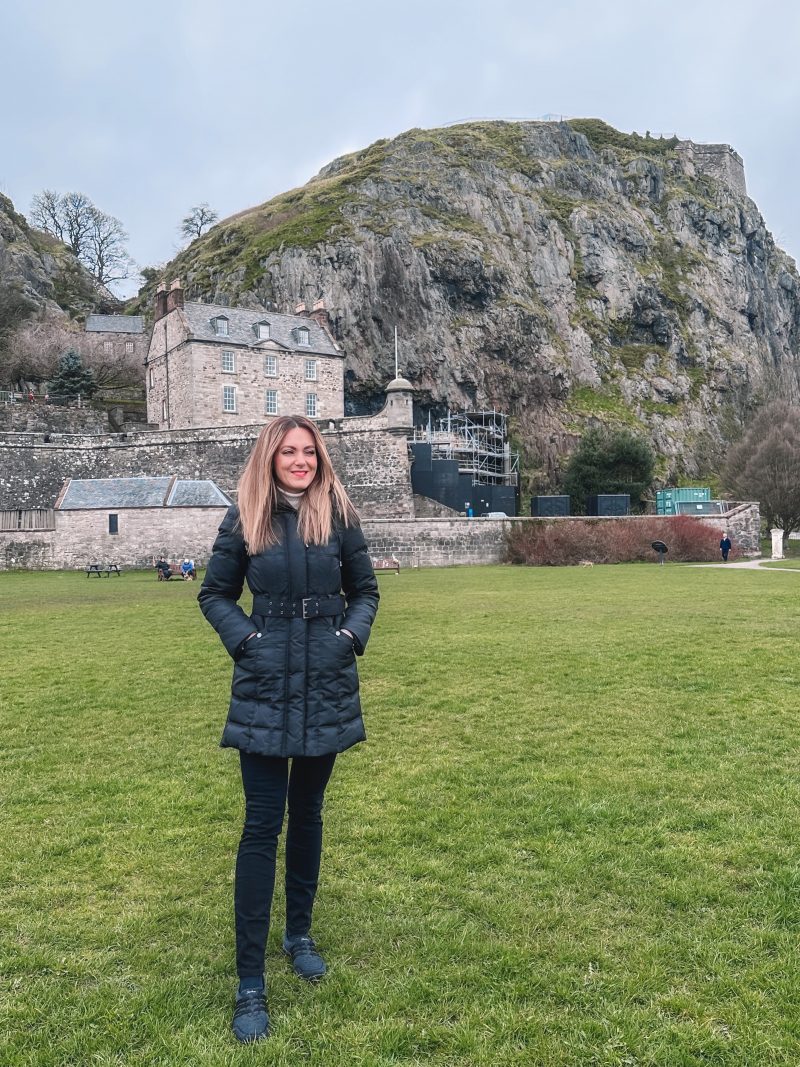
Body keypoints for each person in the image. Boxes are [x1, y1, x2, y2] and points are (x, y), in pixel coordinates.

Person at [198, 415, 379, 1044]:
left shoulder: (339, 513)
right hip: (266, 687)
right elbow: (214, 593)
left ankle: (298, 933)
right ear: (270, 458)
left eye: (308, 452)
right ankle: (251, 980)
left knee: (309, 816)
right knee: (260, 826)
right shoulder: (246, 515)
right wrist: (247, 641)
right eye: (288, 452)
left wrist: (350, 637)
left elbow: (367, 590)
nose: (299, 461)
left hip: (326, 685)